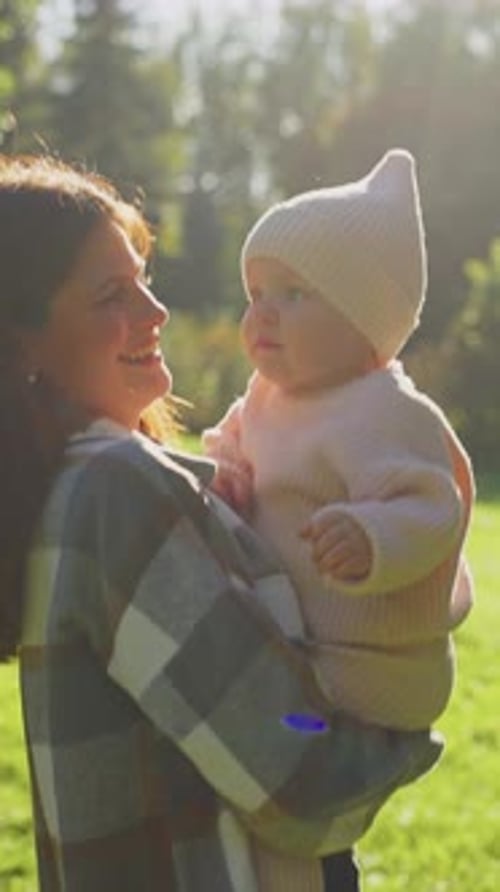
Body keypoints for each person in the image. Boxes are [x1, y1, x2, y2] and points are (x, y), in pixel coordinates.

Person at [0, 152, 442, 892]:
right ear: (22, 347)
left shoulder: (65, 489)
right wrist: (401, 728)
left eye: (144, 277)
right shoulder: (116, 492)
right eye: (113, 294)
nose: (155, 312)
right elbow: (299, 779)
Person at [203, 148, 475, 890]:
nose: (261, 314)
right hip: (300, 650)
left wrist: (372, 535)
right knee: (256, 800)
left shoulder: (386, 412)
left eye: (293, 294)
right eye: (256, 291)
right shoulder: (264, 396)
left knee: (285, 795)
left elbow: (432, 506)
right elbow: (227, 447)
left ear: (364, 318)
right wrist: (226, 477)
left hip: (366, 670)